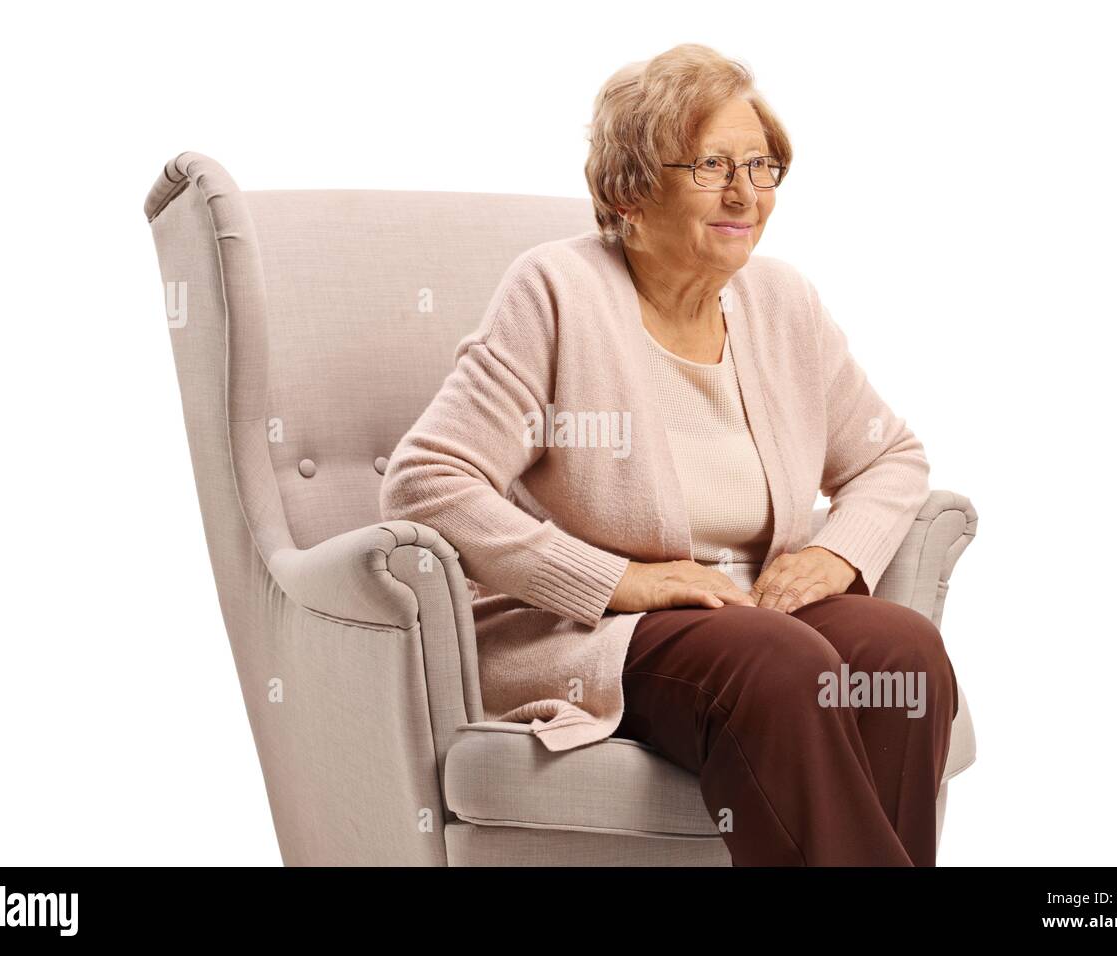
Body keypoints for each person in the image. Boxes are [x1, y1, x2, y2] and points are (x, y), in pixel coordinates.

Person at [380, 42, 958, 865]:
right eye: (712, 165)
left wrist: (836, 553)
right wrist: (619, 581)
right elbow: (424, 482)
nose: (744, 194)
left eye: (762, 167)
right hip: (597, 635)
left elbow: (889, 456)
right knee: (781, 663)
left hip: (752, 612)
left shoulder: (782, 300)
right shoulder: (557, 291)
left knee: (904, 654)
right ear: (628, 191)